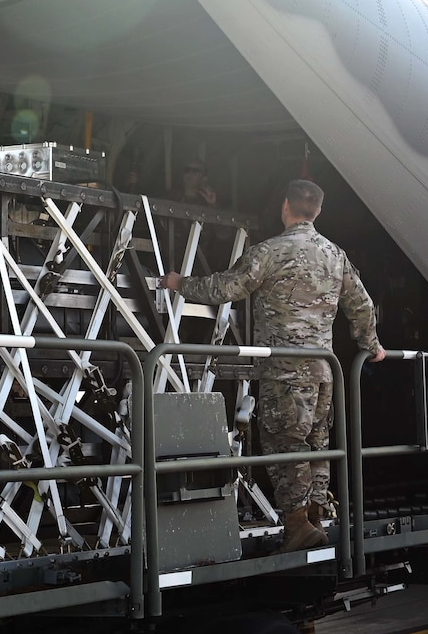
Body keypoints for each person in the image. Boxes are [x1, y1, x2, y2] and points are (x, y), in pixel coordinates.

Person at [161, 179, 384, 552]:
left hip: (284, 371)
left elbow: (226, 289)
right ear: (318, 211)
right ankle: (314, 520)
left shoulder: (270, 252)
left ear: (285, 207)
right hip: (324, 372)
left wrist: (180, 283)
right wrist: (372, 345)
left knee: (285, 443)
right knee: (316, 445)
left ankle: (297, 525)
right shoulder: (335, 255)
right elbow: (361, 304)